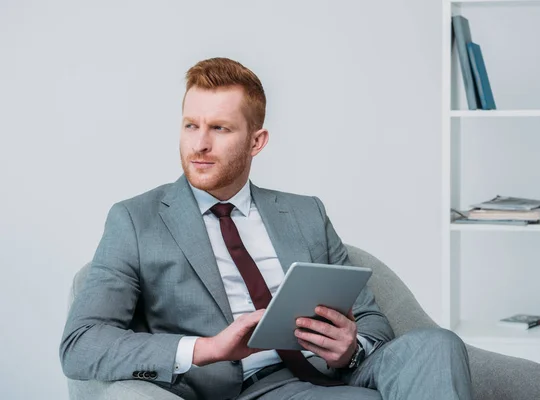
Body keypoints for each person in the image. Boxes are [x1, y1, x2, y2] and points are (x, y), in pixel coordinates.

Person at [60, 57, 473, 400]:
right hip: (242, 387)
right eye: (191, 125)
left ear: (257, 141)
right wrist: (205, 349)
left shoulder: (305, 212)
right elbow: (81, 344)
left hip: (335, 375)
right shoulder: (135, 220)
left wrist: (350, 348)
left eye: (219, 128)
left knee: (438, 344)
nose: (199, 144)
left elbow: (370, 318)